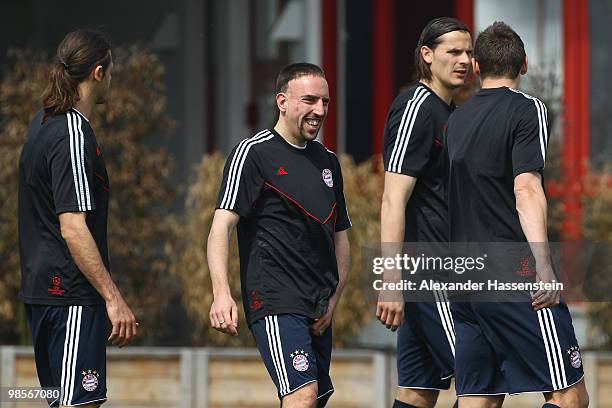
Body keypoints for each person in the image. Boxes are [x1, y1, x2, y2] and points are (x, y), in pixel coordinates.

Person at [445, 21, 589, 407]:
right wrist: (544, 264)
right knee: (569, 395)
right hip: (511, 271)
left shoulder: (455, 119)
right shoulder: (528, 109)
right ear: (524, 64)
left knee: (479, 399)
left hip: (463, 275)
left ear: (476, 66)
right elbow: (526, 189)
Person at [208, 63, 351, 408]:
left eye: (326, 102)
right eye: (310, 100)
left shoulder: (328, 162)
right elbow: (220, 228)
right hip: (274, 298)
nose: (320, 110)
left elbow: (342, 238)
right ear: (282, 101)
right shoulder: (253, 153)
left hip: (318, 304)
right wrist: (221, 294)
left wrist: (333, 300)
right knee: (302, 395)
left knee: (313, 399)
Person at [18, 29, 138, 408]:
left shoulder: (41, 122)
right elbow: (72, 226)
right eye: (112, 73)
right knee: (78, 404)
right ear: (98, 73)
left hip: (44, 294)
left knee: (67, 402)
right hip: (68, 295)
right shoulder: (72, 132)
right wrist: (113, 298)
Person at [376, 17, 472, 408]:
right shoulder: (416, 109)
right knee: (479, 377)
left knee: (417, 391)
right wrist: (390, 280)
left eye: (468, 52)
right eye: (454, 51)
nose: (464, 59)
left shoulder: (448, 113)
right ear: (427, 55)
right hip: (429, 271)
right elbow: (392, 198)